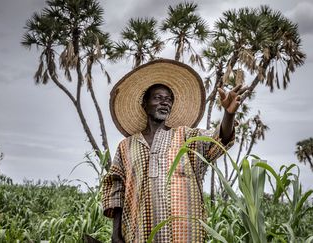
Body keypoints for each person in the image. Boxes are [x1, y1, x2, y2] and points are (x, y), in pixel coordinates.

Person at [102, 59, 246, 242]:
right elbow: (116, 188)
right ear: (144, 104)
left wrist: (229, 114)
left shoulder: (186, 137)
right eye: (158, 98)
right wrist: (116, 234)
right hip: (138, 234)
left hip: (184, 235)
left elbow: (219, 140)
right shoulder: (126, 146)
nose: (165, 103)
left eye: (169, 99)